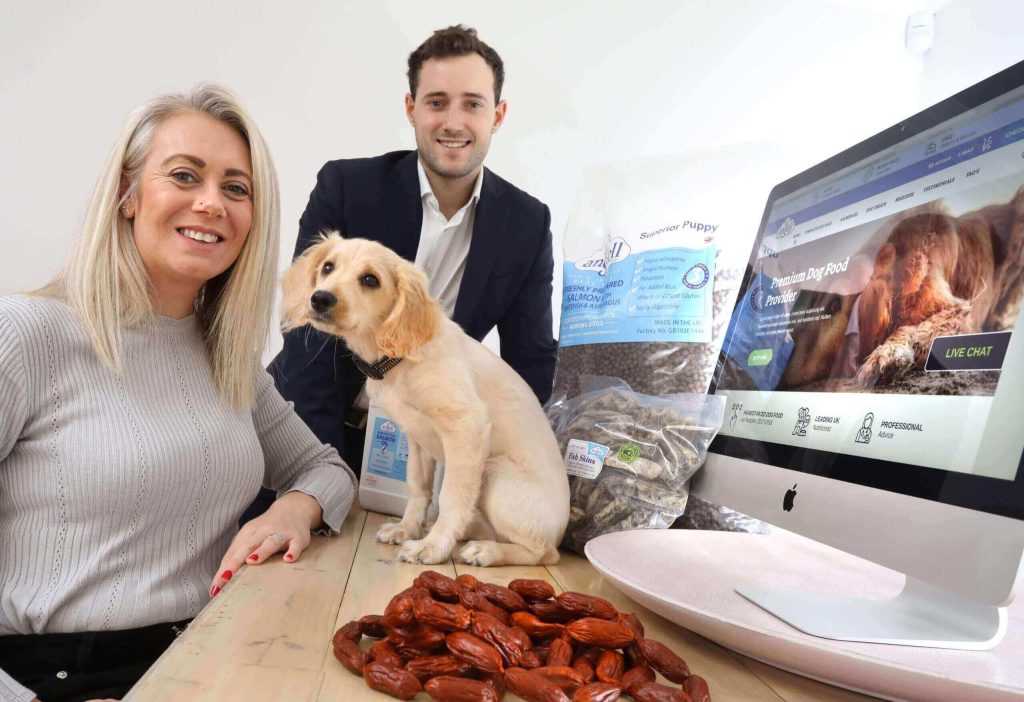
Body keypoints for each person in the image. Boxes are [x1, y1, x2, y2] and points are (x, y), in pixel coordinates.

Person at [0, 84, 357, 702]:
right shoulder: (26, 333)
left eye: (236, 188)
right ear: (128, 194)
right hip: (56, 675)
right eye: (185, 175)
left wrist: (292, 510)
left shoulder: (226, 359)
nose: (212, 203)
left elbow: (325, 468)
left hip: (206, 652)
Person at [267, 25, 558, 482]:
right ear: (411, 108)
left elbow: (530, 363)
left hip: (425, 450)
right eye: (437, 102)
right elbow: (308, 329)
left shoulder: (527, 223)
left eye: (473, 104)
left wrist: (523, 465)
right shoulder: (346, 187)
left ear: (497, 115)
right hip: (308, 429)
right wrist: (320, 474)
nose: (453, 122)